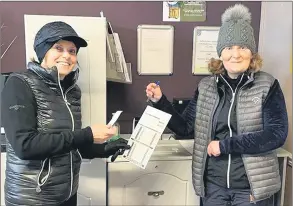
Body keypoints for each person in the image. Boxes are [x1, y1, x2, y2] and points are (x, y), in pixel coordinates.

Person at [146, 4, 288, 206]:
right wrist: (160, 101)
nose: (236, 54)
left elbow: (276, 134)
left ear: (252, 53)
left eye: (243, 47)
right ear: (221, 52)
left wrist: (225, 146)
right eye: (229, 47)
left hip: (251, 188)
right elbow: (186, 128)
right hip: (213, 186)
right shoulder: (206, 87)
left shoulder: (267, 85)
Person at [1, 21, 130, 206]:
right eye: (58, 48)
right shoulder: (19, 84)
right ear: (42, 52)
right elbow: (25, 146)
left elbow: (70, 144)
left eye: (72, 51)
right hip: (33, 199)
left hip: (66, 194)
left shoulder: (72, 91)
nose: (66, 56)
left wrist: (105, 148)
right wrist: (88, 134)